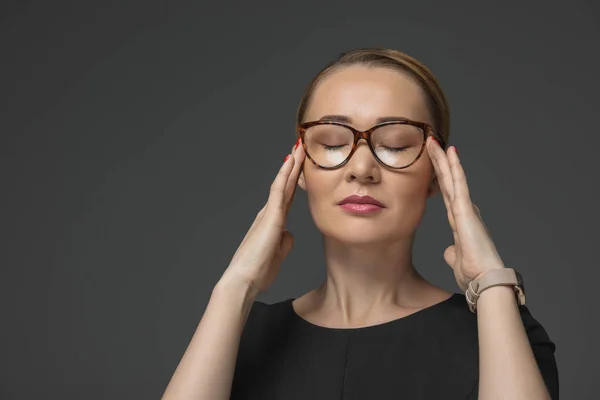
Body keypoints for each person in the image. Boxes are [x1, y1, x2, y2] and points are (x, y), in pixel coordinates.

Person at [161, 48, 559, 400]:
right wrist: (235, 286)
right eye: (333, 142)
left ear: (437, 173)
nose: (362, 168)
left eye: (397, 144)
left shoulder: (501, 328)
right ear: (300, 167)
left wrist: (491, 279)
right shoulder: (240, 334)